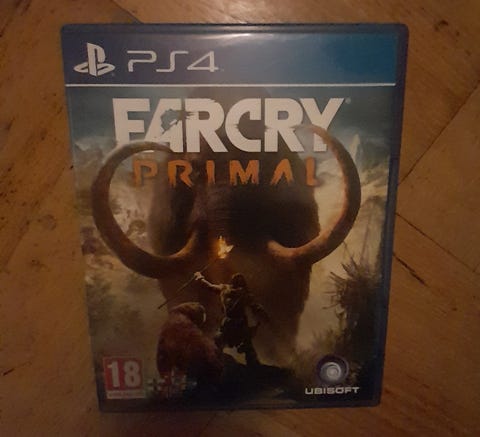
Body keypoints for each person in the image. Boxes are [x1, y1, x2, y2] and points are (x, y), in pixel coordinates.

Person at [194, 272, 268, 367]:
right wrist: (200, 278)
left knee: (246, 345)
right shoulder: (226, 289)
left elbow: (255, 306)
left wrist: (200, 278)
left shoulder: (241, 293)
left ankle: (253, 365)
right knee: (219, 342)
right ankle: (214, 363)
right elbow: (209, 286)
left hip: (239, 323)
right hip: (230, 322)